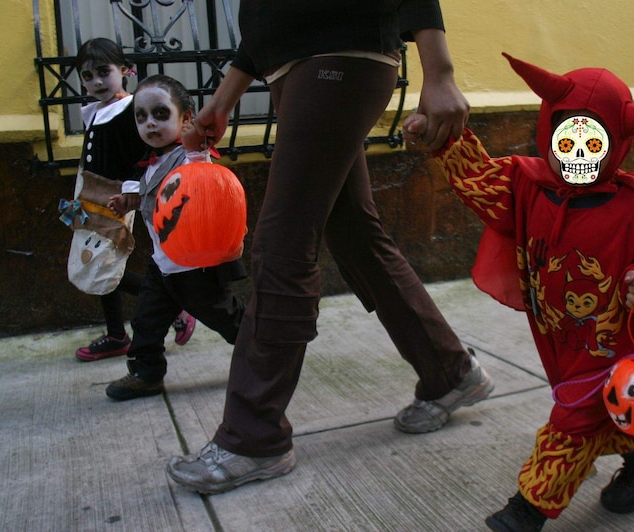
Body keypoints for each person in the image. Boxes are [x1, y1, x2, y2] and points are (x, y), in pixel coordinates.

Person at [413, 53, 634, 531]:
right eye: (565, 138)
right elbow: (481, 184)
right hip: (561, 337)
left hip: (612, 345)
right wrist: (446, 140)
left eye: (592, 143)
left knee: (573, 419)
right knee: (604, 412)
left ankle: (526, 511)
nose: (576, 154)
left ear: (617, 144)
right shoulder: (527, 183)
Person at [165, 1, 494, 494]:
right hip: (300, 69)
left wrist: (440, 70)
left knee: (282, 243)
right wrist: (224, 98)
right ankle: (449, 370)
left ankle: (253, 438)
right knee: (354, 233)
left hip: (340, 55)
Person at [104, 74, 246, 400]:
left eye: (160, 114)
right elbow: (156, 197)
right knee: (146, 323)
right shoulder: (151, 163)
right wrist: (131, 199)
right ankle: (146, 374)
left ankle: (266, 354)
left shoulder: (190, 158)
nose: (150, 124)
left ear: (186, 119)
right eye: (142, 117)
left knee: (226, 318)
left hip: (195, 269)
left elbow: (203, 190)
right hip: (162, 265)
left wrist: (199, 142)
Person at [72, 38, 196, 362]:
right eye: (87, 76)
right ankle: (116, 333)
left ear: (125, 70)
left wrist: (130, 192)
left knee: (104, 265)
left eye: (104, 71)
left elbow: (142, 153)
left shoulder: (131, 110)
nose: (96, 81)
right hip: (90, 194)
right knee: (96, 263)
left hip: (115, 197)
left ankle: (174, 307)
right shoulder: (96, 111)